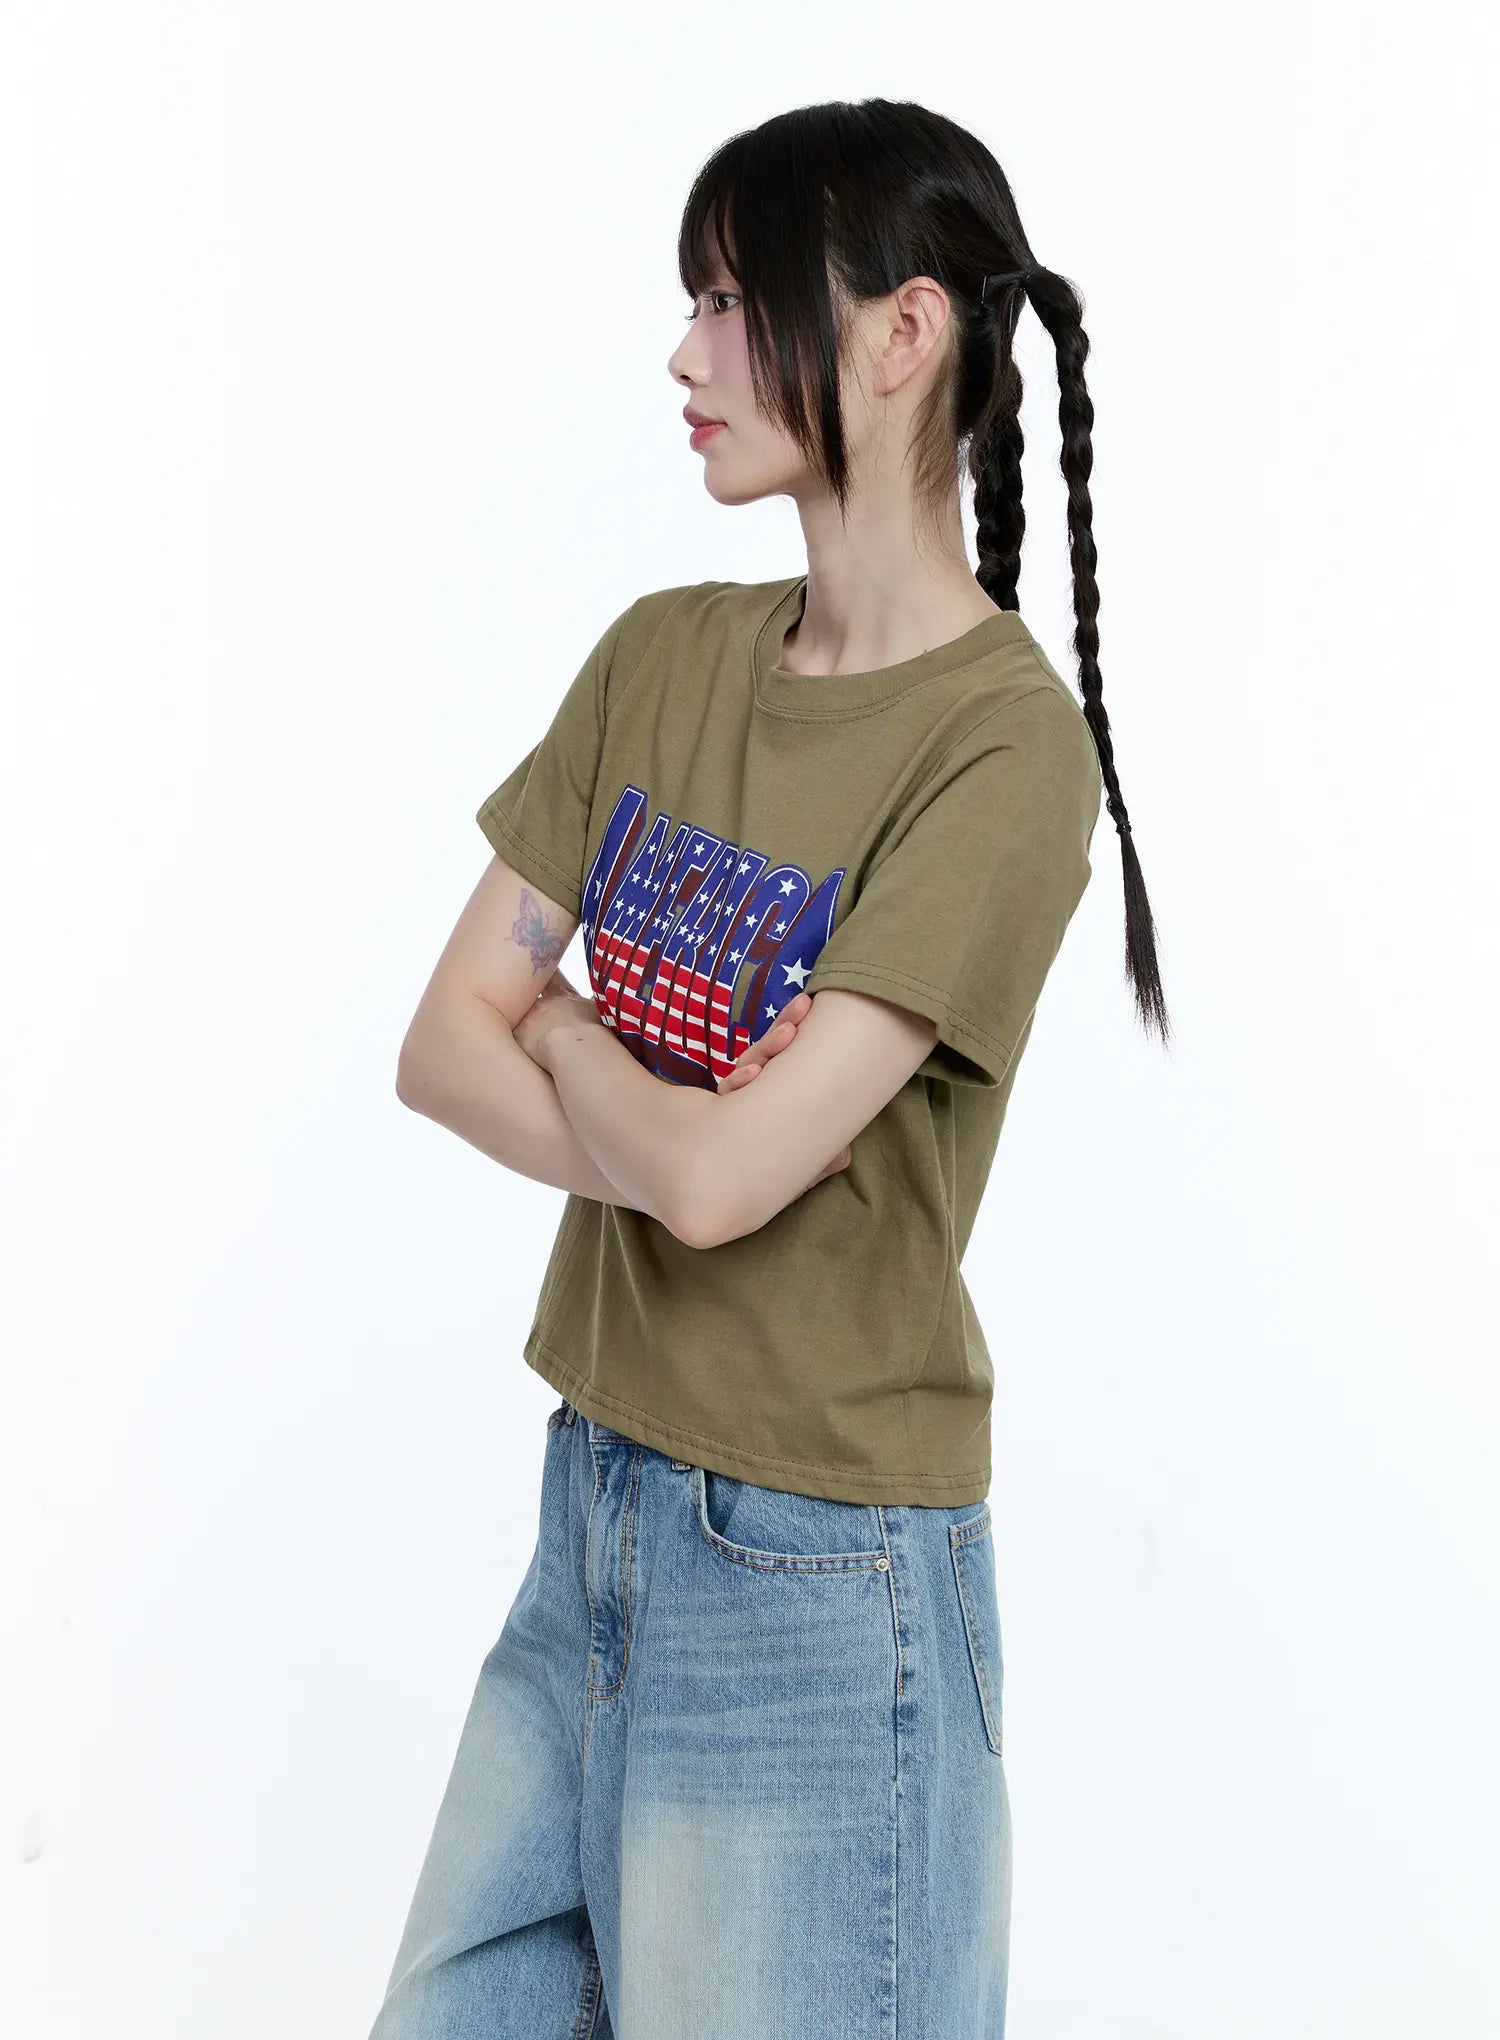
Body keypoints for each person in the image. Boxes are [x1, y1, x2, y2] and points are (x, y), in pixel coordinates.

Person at [368, 95, 1169, 2040]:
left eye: (732, 301)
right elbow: (440, 1047)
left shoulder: (1001, 751)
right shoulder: (661, 659)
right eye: (694, 304)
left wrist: (569, 1025)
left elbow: (719, 1186)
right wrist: (653, 1097)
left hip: (821, 1589)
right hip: (595, 1524)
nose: (685, 353)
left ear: (901, 334)